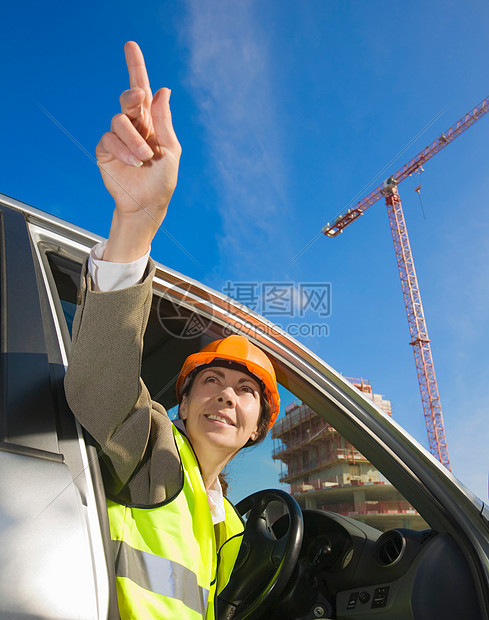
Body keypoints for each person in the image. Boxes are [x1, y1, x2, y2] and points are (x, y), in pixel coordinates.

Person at [64, 41, 280, 619]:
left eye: (246, 391)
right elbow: (99, 388)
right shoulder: (154, 452)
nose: (226, 395)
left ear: (259, 426)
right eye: (210, 380)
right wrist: (134, 227)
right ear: (180, 404)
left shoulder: (231, 528)